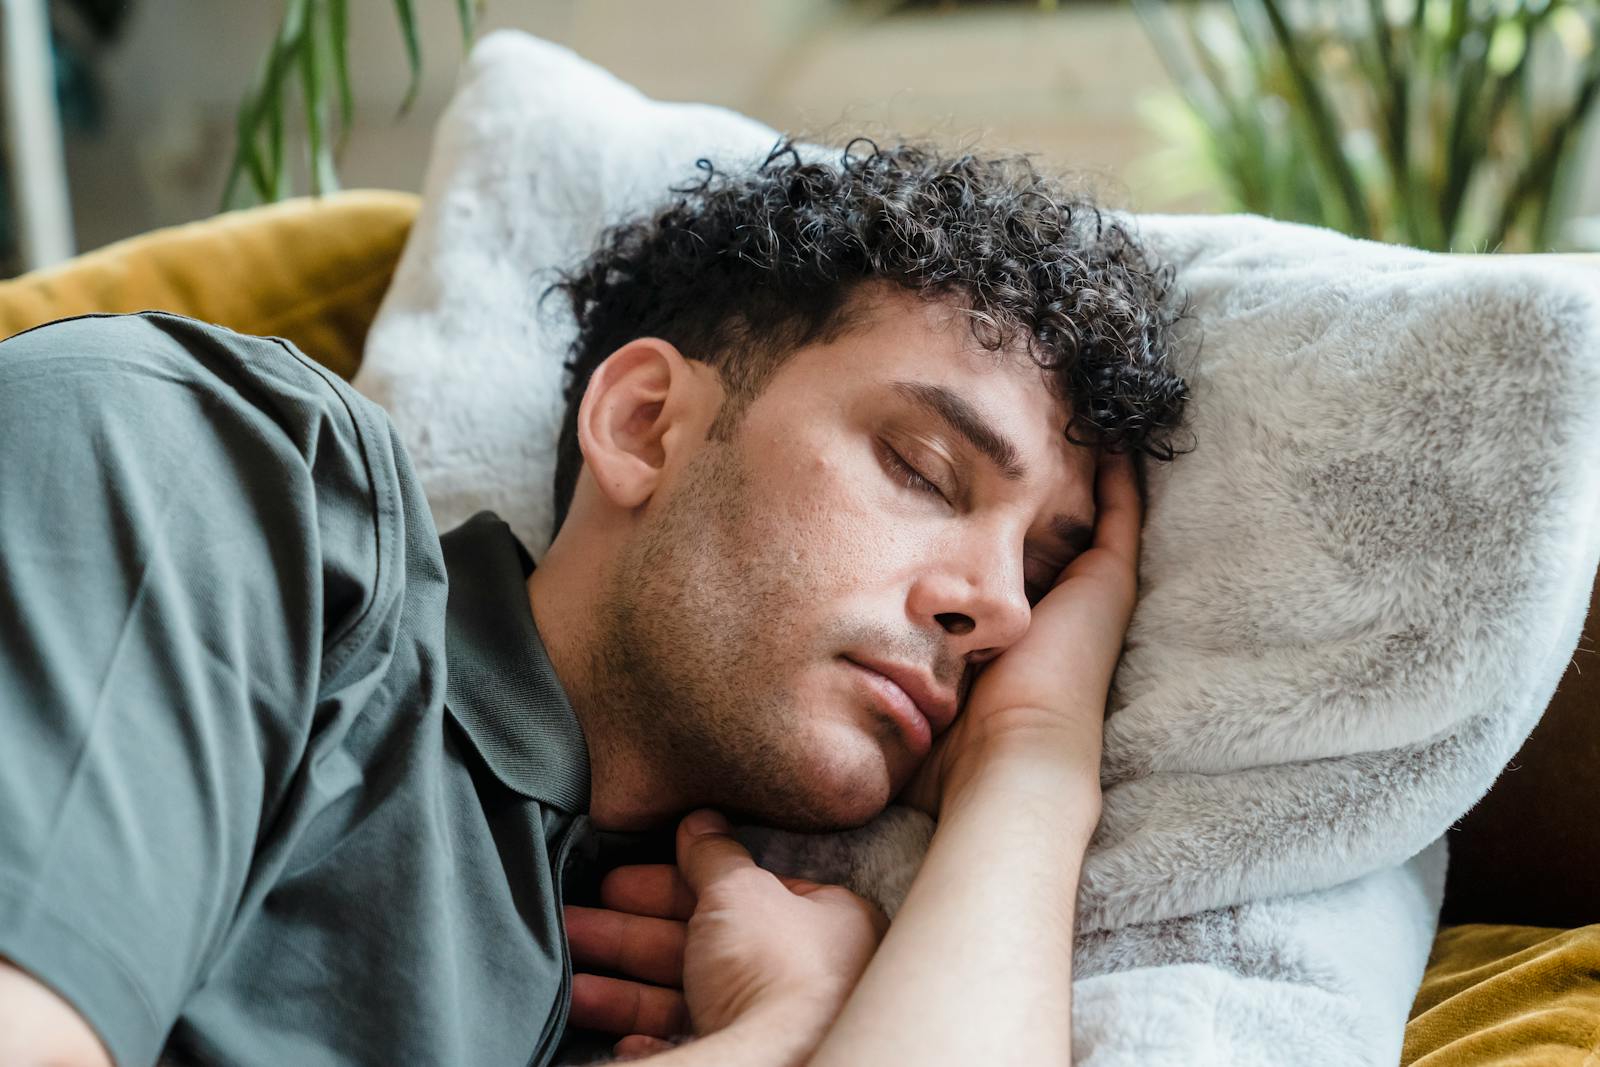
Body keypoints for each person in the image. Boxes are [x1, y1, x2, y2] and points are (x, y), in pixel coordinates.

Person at [0, 139, 1189, 1067]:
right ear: (643, 425)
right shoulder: (233, 473)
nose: (999, 609)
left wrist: (1029, 769)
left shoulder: (670, 967)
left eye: (1039, 573)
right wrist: (779, 1042)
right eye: (923, 469)